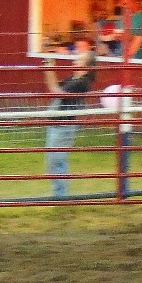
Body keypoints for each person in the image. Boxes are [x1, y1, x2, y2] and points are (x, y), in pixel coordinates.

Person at [43, 51, 98, 198]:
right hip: (57, 124)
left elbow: (57, 92)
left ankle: (60, 196)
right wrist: (48, 67)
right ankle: (60, 195)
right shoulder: (74, 79)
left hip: (64, 126)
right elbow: (53, 88)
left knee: (56, 161)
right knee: (54, 161)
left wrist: (50, 68)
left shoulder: (82, 82)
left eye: (80, 59)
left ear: (87, 66)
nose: (75, 60)